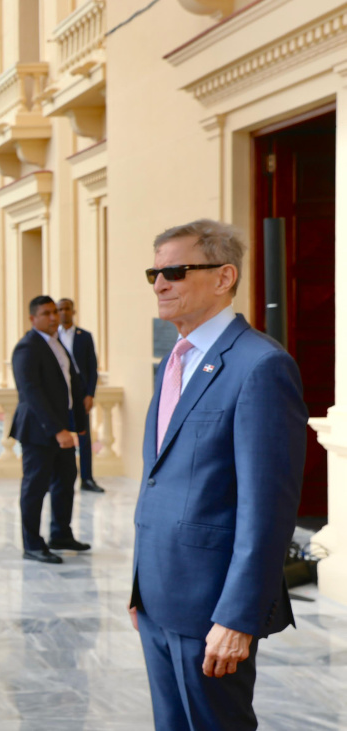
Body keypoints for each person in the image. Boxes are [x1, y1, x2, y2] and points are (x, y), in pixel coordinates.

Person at [130, 220, 306, 730]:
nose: (160, 284)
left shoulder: (261, 366)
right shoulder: (175, 360)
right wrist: (140, 585)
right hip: (159, 594)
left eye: (176, 271)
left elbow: (267, 509)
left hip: (211, 607)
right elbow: (160, 479)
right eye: (154, 273)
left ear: (224, 276)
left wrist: (237, 616)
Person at [10, 295, 90, 564]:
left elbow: (71, 384)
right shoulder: (27, 347)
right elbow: (31, 393)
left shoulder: (56, 343)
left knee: (66, 480)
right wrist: (57, 430)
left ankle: (61, 534)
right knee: (35, 487)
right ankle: (32, 544)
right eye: (46, 313)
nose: (54, 317)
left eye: (55, 312)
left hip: (62, 427)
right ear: (33, 318)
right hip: (39, 430)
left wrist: (75, 424)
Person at [56, 298, 104, 493]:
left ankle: (87, 478)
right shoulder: (52, 337)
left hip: (80, 395)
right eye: (60, 309)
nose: (63, 313)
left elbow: (93, 368)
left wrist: (90, 394)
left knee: (84, 438)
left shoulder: (84, 336)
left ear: (73, 311)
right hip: (59, 395)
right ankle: (59, 478)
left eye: (67, 309)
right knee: (59, 438)